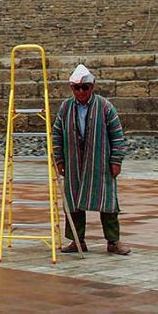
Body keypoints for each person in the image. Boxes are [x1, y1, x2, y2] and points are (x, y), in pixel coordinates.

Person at [52, 64, 130, 256]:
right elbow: (57, 134)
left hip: (100, 163)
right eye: (77, 88)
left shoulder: (105, 107)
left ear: (92, 86)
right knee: (73, 202)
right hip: (74, 164)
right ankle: (77, 241)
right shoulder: (65, 107)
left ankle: (113, 241)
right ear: (72, 88)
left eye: (84, 88)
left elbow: (117, 135)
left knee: (108, 202)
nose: (81, 92)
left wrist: (116, 160)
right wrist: (59, 159)